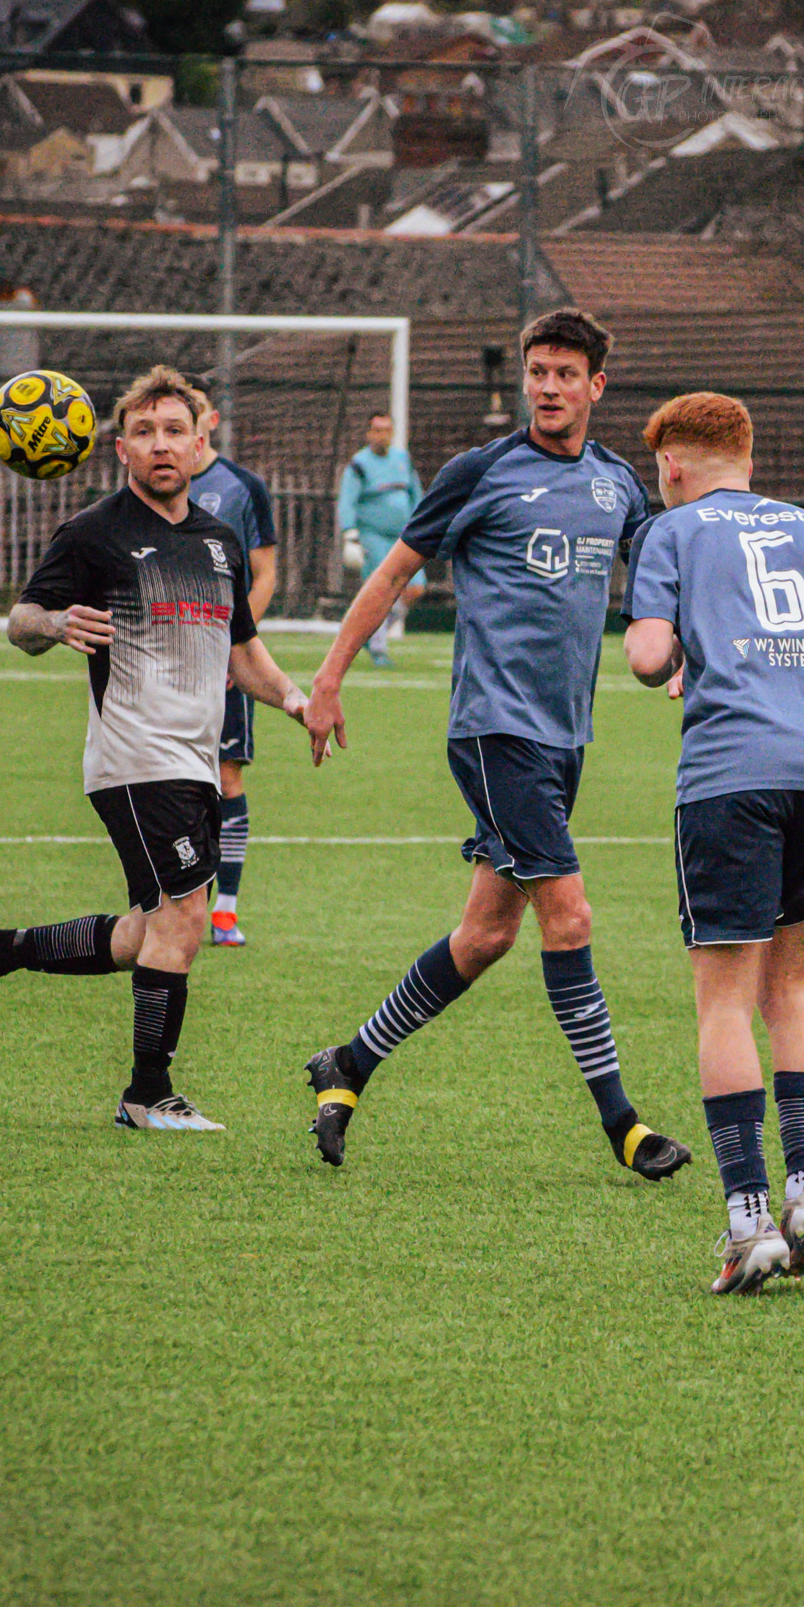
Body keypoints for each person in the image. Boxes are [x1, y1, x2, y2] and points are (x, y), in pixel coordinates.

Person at [297, 308, 691, 1180]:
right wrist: (328, 679)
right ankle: (624, 1126)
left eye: (564, 374)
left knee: (484, 936)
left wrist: (680, 649)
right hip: (494, 730)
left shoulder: (619, 483)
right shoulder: (482, 471)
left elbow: (657, 579)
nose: (548, 387)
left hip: (564, 738)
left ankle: (349, 1064)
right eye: (536, 371)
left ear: (596, 386)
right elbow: (394, 571)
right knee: (572, 915)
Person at [0, 366, 308, 1132]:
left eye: (175, 430)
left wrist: (296, 700)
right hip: (135, 757)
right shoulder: (94, 532)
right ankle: (147, 1093)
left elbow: (242, 651)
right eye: (144, 433)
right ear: (119, 450)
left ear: (202, 441)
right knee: (185, 922)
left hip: (196, 761)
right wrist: (55, 625)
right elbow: (20, 620)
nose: (161, 444)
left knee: (144, 932)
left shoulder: (217, 541)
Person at [621, 392, 804, 1294]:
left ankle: (750, 1220)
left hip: (732, 777)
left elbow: (644, 655)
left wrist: (679, 661)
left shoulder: (671, 533)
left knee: (723, 1001)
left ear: (672, 463)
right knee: (790, 989)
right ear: (746, 456)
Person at [187, 399, 277, 947]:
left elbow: (265, 574)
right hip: (163, 661)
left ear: (211, 419)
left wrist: (234, 644)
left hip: (222, 657)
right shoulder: (147, 485)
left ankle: (224, 910)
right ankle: (176, 902)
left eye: (189, 413)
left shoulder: (244, 487)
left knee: (226, 777)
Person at [337, 411, 423, 666]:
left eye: (386, 430)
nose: (381, 435)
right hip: (372, 535)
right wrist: (350, 534)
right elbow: (347, 500)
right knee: (380, 591)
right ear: (368, 433)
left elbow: (415, 494)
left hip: (403, 537)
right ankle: (378, 649)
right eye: (376, 430)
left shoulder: (402, 459)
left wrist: (421, 523)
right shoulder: (359, 464)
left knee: (415, 587)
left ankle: (370, 631)